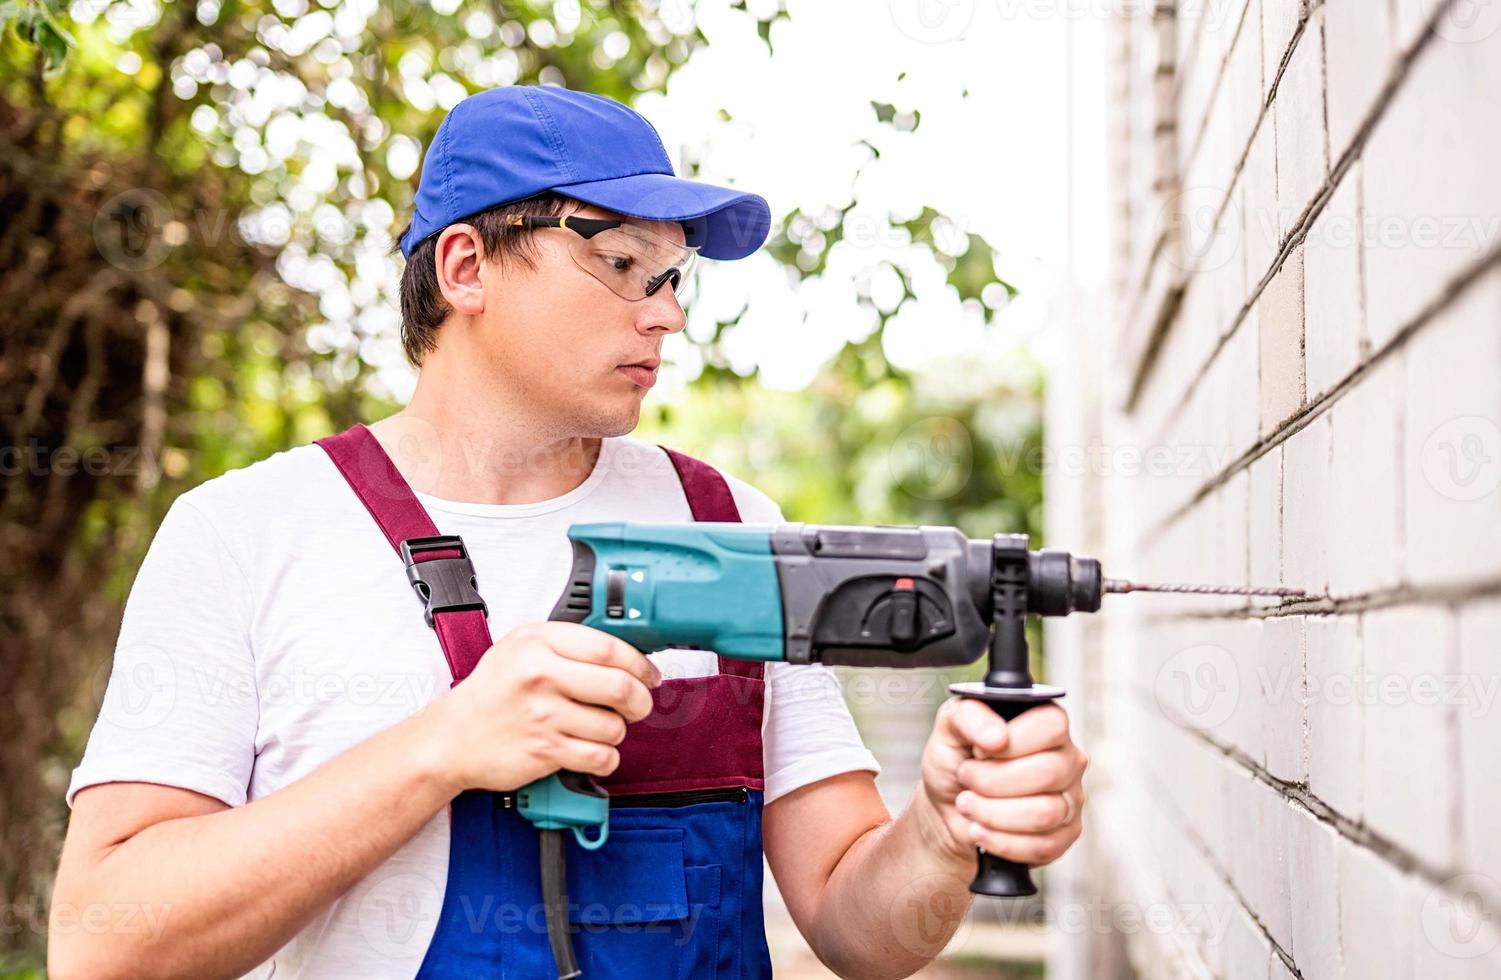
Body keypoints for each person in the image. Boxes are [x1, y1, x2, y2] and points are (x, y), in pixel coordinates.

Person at [49, 85, 1087, 980]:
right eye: (623, 261)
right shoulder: (246, 534)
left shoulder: (727, 529)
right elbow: (100, 943)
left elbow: (860, 928)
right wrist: (440, 749)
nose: (668, 316)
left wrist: (943, 831)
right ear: (466, 266)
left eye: (674, 275)